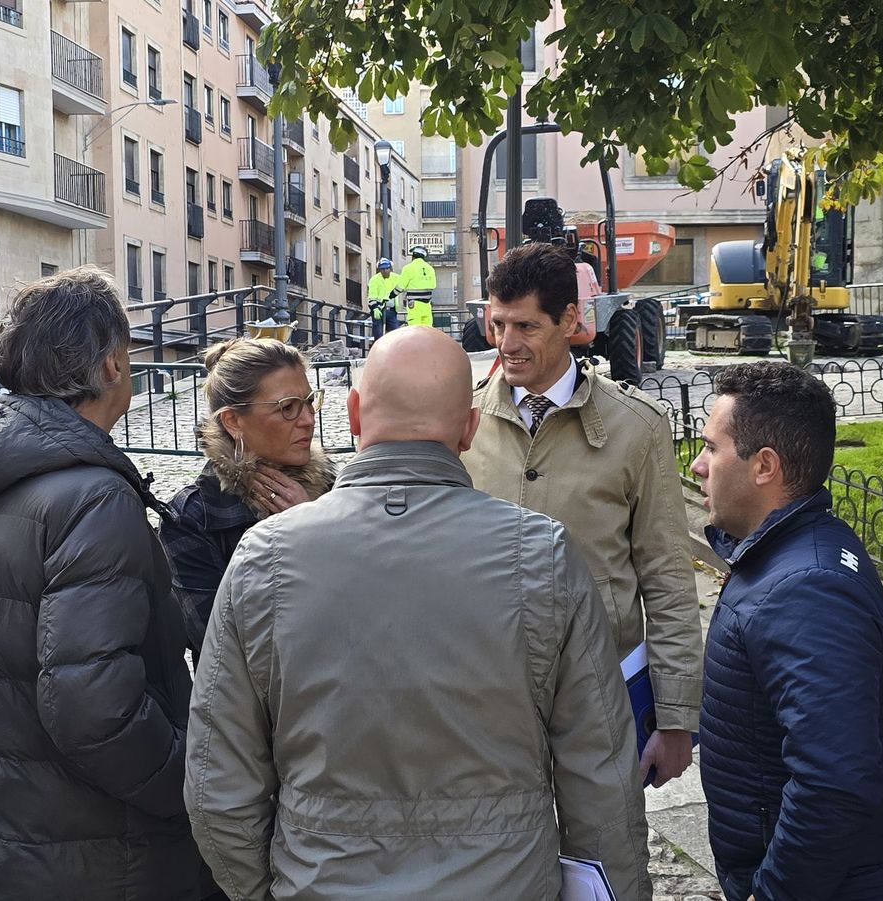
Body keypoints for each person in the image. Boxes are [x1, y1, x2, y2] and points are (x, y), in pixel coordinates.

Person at [185, 327, 651, 901]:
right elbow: (600, 769)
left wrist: (264, 890)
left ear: (354, 414)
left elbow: (217, 780)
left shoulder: (264, 558)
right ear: (469, 429)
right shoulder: (542, 554)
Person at [0, 267, 220, 901]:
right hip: (100, 856)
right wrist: (189, 784)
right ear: (112, 364)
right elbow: (93, 707)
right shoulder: (93, 498)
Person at [690, 361, 883, 901]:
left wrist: (775, 892)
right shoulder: (787, 552)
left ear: (764, 466)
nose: (697, 465)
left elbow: (835, 780)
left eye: (710, 448)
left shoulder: (806, 587)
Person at [462, 242, 704, 789]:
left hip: (602, 701)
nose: (506, 344)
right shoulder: (461, 420)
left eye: (525, 326)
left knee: (608, 841)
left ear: (570, 319)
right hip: (486, 704)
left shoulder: (637, 427)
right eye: (497, 324)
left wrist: (675, 717)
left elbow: (667, 576)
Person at [161, 338, 335, 654]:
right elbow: (220, 644)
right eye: (288, 407)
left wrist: (315, 524)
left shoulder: (333, 488)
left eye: (310, 401)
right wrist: (298, 537)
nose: (309, 419)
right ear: (234, 422)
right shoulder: (192, 518)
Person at [395, 245, 437, 327]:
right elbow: (433, 285)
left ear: (413, 256)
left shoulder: (408, 268)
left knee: (415, 329)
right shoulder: (430, 269)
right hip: (427, 305)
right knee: (427, 330)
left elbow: (400, 286)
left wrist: (390, 296)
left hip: (414, 305)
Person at [366, 258, 399, 342]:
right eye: (382, 269)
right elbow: (372, 296)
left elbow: (404, 283)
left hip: (392, 310)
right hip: (379, 310)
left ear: (390, 268)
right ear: (379, 270)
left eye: (387, 268)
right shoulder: (374, 280)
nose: (385, 271)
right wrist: (375, 308)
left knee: (395, 334)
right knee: (379, 334)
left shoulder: (396, 278)